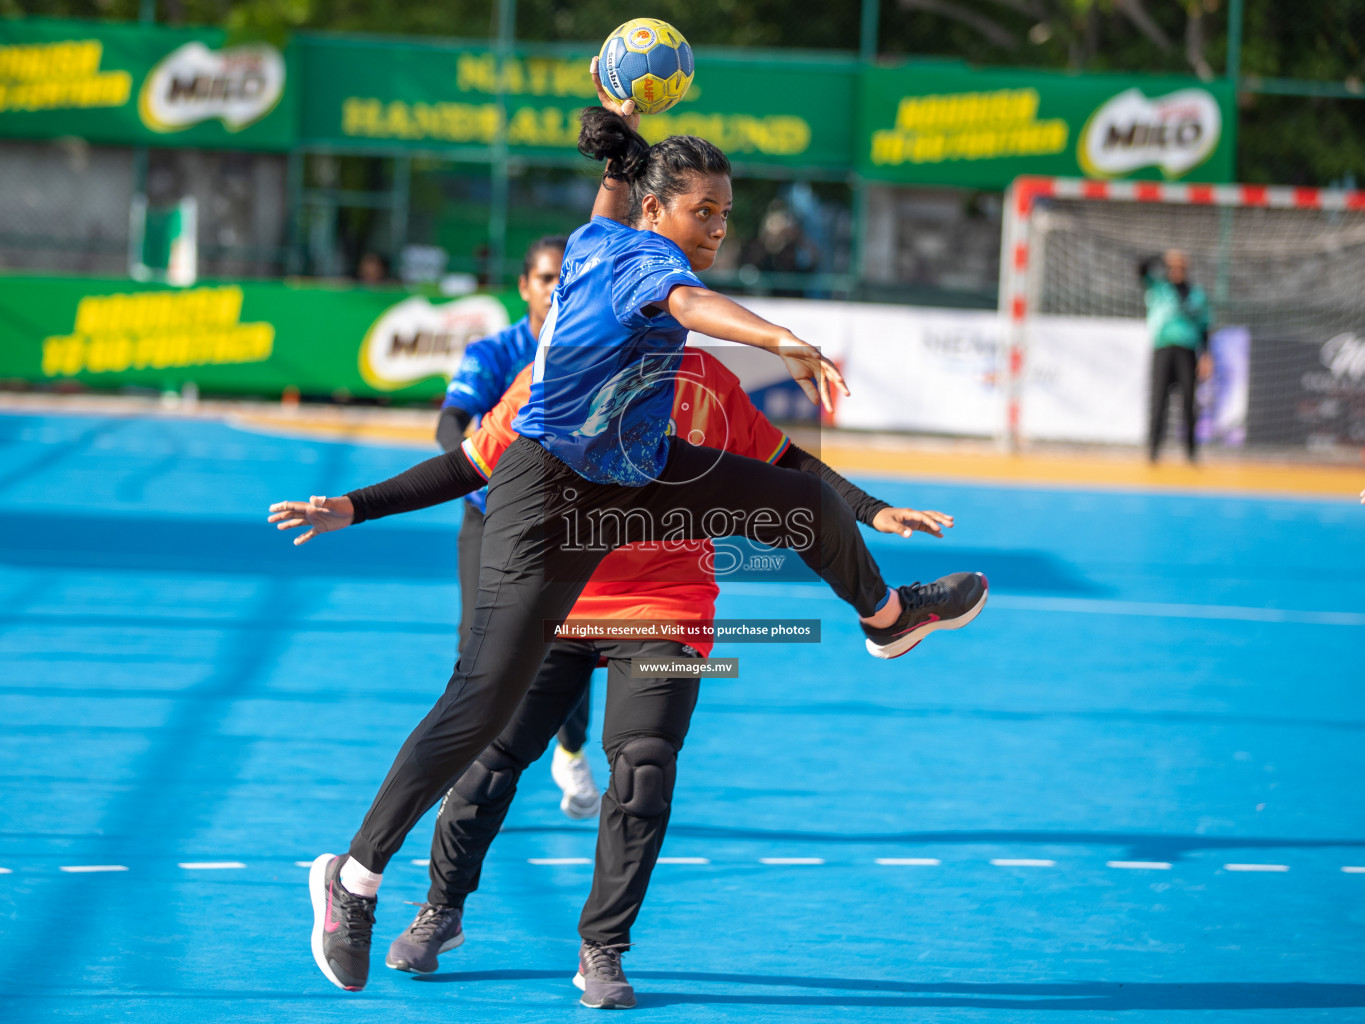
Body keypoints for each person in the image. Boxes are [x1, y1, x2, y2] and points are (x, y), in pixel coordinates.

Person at [272, 63, 988, 994]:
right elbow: (688, 305)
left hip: (635, 482)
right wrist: (778, 337)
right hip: (549, 494)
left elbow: (620, 209)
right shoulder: (644, 262)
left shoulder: (598, 235)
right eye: (705, 212)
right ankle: (357, 879)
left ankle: (886, 617)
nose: (717, 228)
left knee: (800, 503)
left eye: (726, 213)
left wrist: (619, 125)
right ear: (660, 212)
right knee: (478, 711)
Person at [277, 347, 952, 1007]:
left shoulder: (708, 381)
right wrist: (355, 505)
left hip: (666, 608)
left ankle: (602, 946)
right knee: (489, 760)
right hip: (554, 600)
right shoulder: (558, 373)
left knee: (644, 770)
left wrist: (867, 510)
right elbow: (468, 463)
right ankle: (440, 910)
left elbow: (787, 465)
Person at [436, 236, 602, 821]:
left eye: (568, 278)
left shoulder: (596, 351)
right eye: (547, 278)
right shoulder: (495, 351)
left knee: (573, 641)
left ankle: (572, 749)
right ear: (524, 286)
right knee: (475, 644)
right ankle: (456, 772)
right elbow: (453, 420)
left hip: (566, 519)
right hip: (490, 510)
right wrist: (475, 466)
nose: (558, 288)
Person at [1140, 249, 1212, 463]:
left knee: (1189, 401)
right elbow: (1140, 267)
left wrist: (1206, 354)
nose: (1176, 271)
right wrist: (1162, 256)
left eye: (1180, 267)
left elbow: (1204, 326)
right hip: (1163, 348)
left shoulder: (1196, 294)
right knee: (1159, 399)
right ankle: (1153, 450)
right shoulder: (1159, 288)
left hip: (1187, 351)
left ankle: (1191, 451)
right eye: (1172, 267)